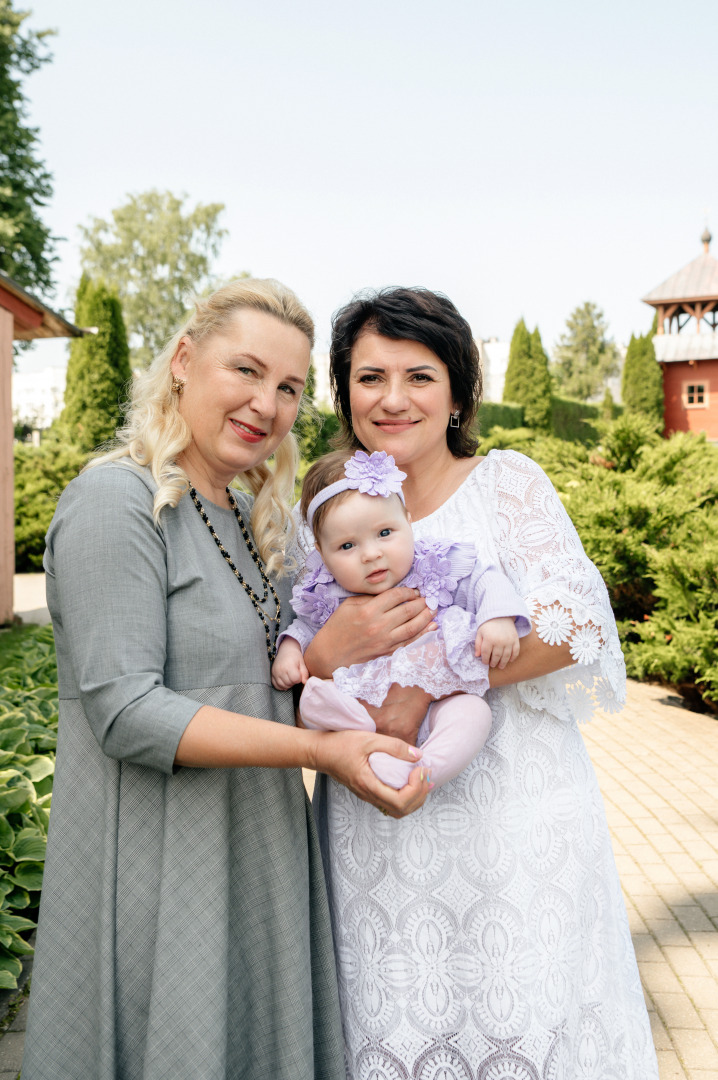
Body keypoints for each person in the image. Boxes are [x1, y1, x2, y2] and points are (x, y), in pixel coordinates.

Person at [21, 279, 431, 1080]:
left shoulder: (252, 520)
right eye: (244, 370)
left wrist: (330, 660)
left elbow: (252, 681)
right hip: (156, 868)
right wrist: (326, 754)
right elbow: (128, 712)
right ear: (183, 360)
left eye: (287, 388)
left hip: (255, 855)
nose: (265, 404)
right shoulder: (118, 501)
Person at [300, 287, 659, 1079]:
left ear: (459, 390)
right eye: (369, 378)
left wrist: (425, 685)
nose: (393, 399)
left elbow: (579, 625)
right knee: (390, 1016)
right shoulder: (319, 508)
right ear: (343, 391)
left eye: (419, 376)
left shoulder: (506, 482)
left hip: (514, 818)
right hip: (376, 823)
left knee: (524, 1018)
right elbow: (297, 653)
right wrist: (329, 649)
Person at [272, 448, 532, 789]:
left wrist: (496, 618)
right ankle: (365, 733)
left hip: (440, 699)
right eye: (347, 546)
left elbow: (484, 580)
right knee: (313, 699)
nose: (371, 554)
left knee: (474, 714)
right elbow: (304, 627)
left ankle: (423, 770)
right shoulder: (326, 591)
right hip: (363, 702)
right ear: (321, 552)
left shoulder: (434, 565)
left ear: (408, 520)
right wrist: (290, 650)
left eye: (384, 533)